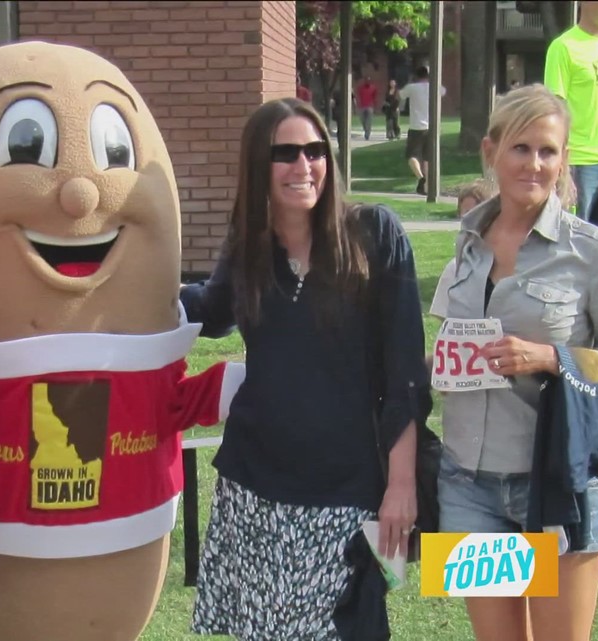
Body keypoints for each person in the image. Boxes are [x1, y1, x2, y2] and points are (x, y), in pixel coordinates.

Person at [183, 97, 429, 639]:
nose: (304, 165)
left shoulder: (374, 237)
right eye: (286, 153)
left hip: (346, 489)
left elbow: (405, 372)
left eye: (315, 150)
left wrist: (402, 485)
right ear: (257, 166)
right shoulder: (249, 249)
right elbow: (211, 308)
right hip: (255, 489)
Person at [436, 84, 598, 641]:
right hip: (468, 485)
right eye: (521, 147)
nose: (535, 163)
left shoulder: (595, 251)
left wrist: (552, 357)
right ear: (491, 151)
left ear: (564, 162)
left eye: (549, 151)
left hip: (560, 481)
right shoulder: (464, 246)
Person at [545, 1, 598, 243]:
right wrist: (562, 165)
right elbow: (555, 110)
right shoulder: (563, 47)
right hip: (579, 164)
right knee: (576, 245)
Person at [430, 178, 498, 320]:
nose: (473, 220)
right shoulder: (455, 268)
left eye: (480, 212)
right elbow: (444, 320)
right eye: (467, 213)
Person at [399, 65, 447, 195]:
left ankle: (421, 178)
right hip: (432, 126)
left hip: (416, 126)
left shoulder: (412, 88)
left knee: (412, 156)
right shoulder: (435, 87)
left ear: (416, 75)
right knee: (428, 158)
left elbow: (401, 95)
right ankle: (428, 187)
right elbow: (443, 91)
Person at [356, 75, 379, 141]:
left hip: (370, 106)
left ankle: (367, 134)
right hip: (362, 106)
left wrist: (375, 106)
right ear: (365, 81)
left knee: (368, 121)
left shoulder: (373, 88)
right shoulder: (360, 88)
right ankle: (366, 130)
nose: (367, 82)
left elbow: (375, 97)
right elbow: (359, 96)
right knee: (363, 120)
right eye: (366, 80)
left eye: (369, 80)